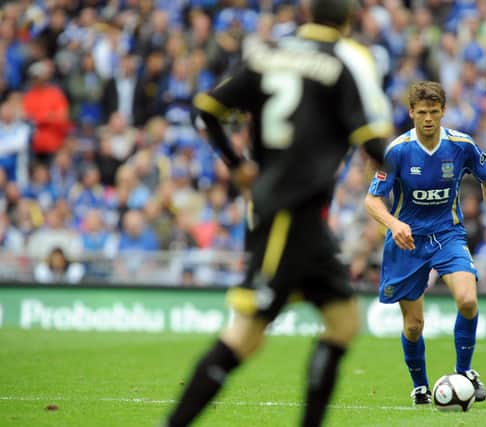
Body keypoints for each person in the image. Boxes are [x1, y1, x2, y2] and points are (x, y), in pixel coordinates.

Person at [166, 0, 392, 426]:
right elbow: (373, 142)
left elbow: (207, 109)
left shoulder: (267, 54)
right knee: (246, 335)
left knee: (344, 321)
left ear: (307, 13)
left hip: (294, 212)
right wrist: (410, 172)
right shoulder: (344, 63)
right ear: (349, 20)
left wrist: (238, 167)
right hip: (289, 213)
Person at [364, 81, 486, 405]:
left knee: (468, 300)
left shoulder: (461, 145)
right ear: (411, 112)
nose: (428, 118)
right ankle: (420, 387)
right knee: (414, 325)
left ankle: (465, 372)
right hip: (408, 240)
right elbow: (372, 201)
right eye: (422, 112)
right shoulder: (397, 151)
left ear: (443, 111)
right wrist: (394, 223)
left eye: (434, 111)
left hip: (447, 234)